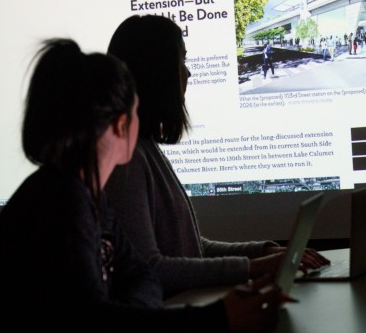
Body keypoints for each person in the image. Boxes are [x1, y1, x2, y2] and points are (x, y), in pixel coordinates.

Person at [0, 39, 282, 332]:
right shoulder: (61, 203)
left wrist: (131, 316)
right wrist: (218, 318)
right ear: (121, 124)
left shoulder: (90, 196)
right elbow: (95, 320)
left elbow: (143, 277)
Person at [106, 15, 329, 297]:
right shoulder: (125, 160)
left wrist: (264, 252)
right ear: (156, 72)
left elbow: (193, 249)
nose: (187, 74)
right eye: (181, 61)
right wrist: (253, 268)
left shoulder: (144, 147)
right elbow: (151, 268)